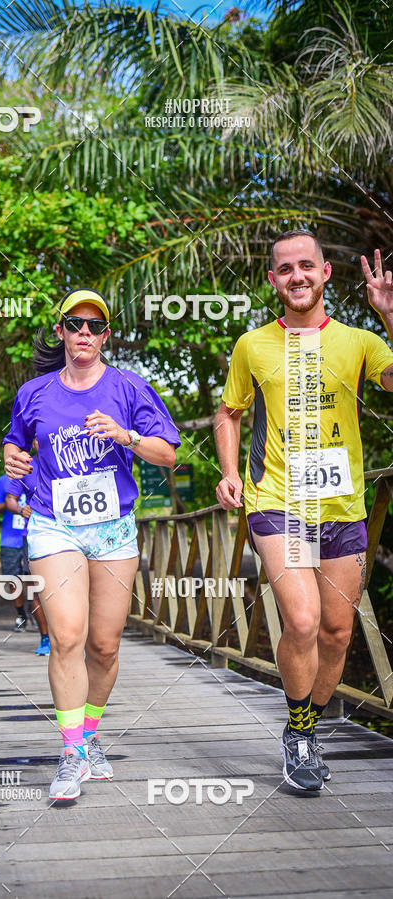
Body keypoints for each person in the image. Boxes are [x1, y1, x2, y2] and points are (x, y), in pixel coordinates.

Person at [214, 233, 393, 791]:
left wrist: (389, 316)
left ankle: (307, 728)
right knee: (303, 620)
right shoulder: (253, 346)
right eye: (284, 269)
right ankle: (298, 732)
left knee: (338, 633)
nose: (296, 276)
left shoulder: (359, 342)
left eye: (306, 266)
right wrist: (228, 472)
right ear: (273, 280)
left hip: (342, 505)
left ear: (326, 273)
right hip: (279, 502)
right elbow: (228, 413)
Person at [3, 287, 180, 800]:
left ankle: (91, 732)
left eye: (94, 326)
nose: (84, 333)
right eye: (75, 324)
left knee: (104, 646)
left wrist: (124, 436)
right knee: (67, 637)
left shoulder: (129, 387)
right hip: (54, 524)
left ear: (105, 335)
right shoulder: (34, 392)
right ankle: (71, 752)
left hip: (113, 528)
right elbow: (16, 444)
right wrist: (12, 460)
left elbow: (168, 454)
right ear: (59, 331)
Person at [5, 440, 51, 655]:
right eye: (35, 437)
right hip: (33, 534)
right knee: (35, 589)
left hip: (72, 534)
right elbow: (10, 500)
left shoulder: (71, 459)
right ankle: (45, 638)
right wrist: (21, 509)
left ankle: (76, 637)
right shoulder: (26, 465)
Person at [0, 472, 32, 631]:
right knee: (13, 577)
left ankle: (34, 611)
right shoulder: (3, 480)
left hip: (33, 535)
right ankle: (21, 614)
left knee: (33, 577)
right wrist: (9, 503)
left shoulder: (39, 472)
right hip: (10, 538)